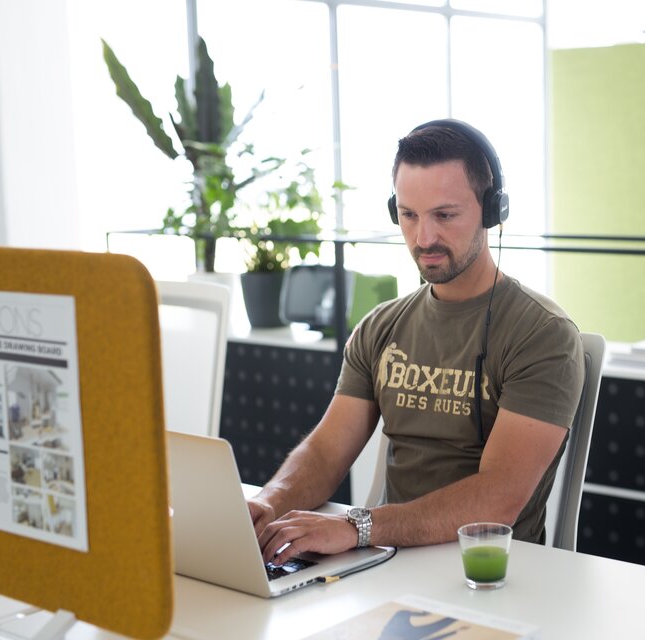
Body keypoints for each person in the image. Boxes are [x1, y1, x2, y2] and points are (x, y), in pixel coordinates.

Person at [248, 119, 585, 565]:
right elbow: (328, 449)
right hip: (384, 560)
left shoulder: (542, 335)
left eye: (444, 215)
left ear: (490, 211)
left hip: (488, 574)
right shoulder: (380, 327)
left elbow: (497, 498)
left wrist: (356, 527)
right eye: (409, 215)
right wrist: (269, 504)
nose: (424, 238)